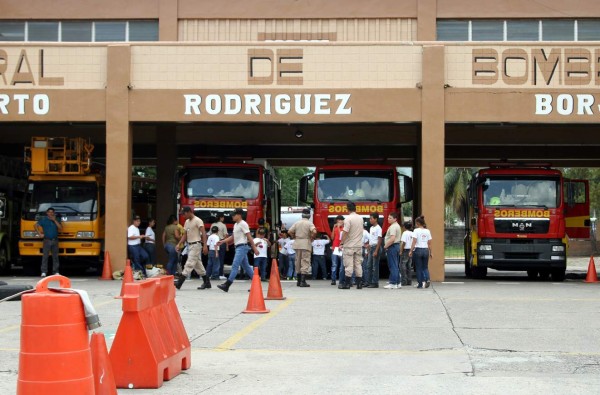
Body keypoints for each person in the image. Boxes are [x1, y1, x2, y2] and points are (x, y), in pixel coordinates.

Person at [217, 208, 260, 292]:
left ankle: (227, 284)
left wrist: (254, 248)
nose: (232, 216)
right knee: (247, 267)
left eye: (234, 214)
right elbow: (232, 237)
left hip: (242, 247)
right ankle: (257, 284)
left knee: (235, 265)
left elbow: (249, 236)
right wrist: (223, 241)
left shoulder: (243, 224)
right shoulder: (236, 225)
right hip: (238, 247)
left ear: (239, 215)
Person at [175, 206, 209, 290]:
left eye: (184, 214)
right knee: (198, 265)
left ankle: (180, 282)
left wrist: (205, 245)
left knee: (189, 263)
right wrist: (179, 244)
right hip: (189, 245)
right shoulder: (187, 222)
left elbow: (203, 233)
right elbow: (185, 235)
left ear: (189, 212)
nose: (183, 215)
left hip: (196, 244)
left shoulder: (198, 220)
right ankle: (207, 282)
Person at [288, 208, 317, 287]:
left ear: (302, 215)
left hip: (297, 243)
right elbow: (314, 231)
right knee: (305, 261)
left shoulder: (297, 223)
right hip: (305, 243)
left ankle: (298, 280)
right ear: (309, 216)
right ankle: (303, 281)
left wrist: (294, 237)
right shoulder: (309, 223)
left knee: (298, 261)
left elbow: (289, 231)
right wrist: (312, 237)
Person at [340, 202, 364, 290]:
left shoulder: (348, 219)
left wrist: (342, 242)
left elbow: (345, 231)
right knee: (358, 264)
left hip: (349, 245)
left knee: (349, 265)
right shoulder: (360, 218)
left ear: (347, 209)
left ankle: (347, 284)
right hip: (358, 245)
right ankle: (359, 284)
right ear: (355, 209)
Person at [35, 207, 62, 277]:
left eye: (52, 212)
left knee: (55, 257)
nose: (50, 213)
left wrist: (54, 220)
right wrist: (39, 234)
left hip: (55, 240)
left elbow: (60, 228)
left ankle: (56, 271)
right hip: (46, 240)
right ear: (47, 213)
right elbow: (35, 225)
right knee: (45, 256)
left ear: (53, 213)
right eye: (49, 212)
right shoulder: (43, 220)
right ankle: (44, 271)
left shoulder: (57, 219)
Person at [409, 216, 433, 289]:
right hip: (426, 250)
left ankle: (420, 284)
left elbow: (414, 241)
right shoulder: (427, 231)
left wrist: (411, 250)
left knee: (419, 268)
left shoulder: (416, 231)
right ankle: (427, 279)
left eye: (416, 223)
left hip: (418, 250)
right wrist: (431, 252)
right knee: (425, 267)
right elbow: (429, 243)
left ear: (418, 223)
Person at [383, 212, 401, 289]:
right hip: (396, 246)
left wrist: (385, 246)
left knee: (392, 265)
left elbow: (392, 239)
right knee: (396, 265)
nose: (388, 219)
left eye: (390, 218)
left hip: (392, 246)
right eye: (388, 217)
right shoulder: (397, 226)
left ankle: (393, 283)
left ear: (395, 219)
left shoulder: (393, 227)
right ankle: (398, 282)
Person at [364, 213, 383, 288]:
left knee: (375, 266)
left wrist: (376, 251)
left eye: (371, 218)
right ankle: (368, 281)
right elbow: (371, 240)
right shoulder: (371, 228)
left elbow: (379, 240)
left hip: (376, 248)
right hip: (371, 248)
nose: (370, 220)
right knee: (369, 266)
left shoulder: (378, 228)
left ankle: (375, 282)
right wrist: (368, 248)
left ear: (376, 219)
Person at [213, 212, 228, 280]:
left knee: (214, 258)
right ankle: (220, 273)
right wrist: (227, 245)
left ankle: (214, 273)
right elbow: (225, 236)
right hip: (221, 243)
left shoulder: (213, 224)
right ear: (221, 218)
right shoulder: (223, 225)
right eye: (223, 217)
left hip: (214, 243)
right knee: (221, 258)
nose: (224, 219)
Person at [330, 215, 344, 286]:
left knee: (342, 265)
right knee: (334, 265)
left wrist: (338, 227)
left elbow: (340, 238)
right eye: (339, 220)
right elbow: (332, 237)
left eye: (341, 220)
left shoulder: (344, 228)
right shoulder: (335, 228)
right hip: (335, 248)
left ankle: (341, 279)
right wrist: (333, 228)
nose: (340, 221)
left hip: (341, 248)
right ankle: (333, 279)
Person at [400, 221, 414, 286]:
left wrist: (401, 251)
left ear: (404, 227)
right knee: (409, 265)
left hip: (405, 250)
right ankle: (409, 280)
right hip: (411, 250)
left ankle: (404, 280)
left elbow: (403, 243)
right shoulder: (412, 233)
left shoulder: (404, 233)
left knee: (403, 265)